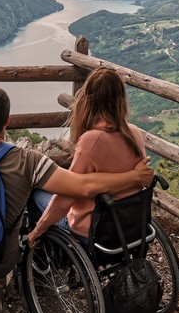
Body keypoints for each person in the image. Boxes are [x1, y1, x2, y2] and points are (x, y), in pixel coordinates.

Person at [0, 85, 153, 282]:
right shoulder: (29, 161)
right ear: (7, 120)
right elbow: (84, 186)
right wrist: (133, 177)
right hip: (0, 263)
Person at [27, 67, 148, 245]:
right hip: (131, 226)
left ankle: (43, 257)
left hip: (95, 229)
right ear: (121, 98)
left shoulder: (92, 140)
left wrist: (39, 229)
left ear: (89, 100)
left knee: (36, 192)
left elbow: (69, 195)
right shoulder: (134, 133)